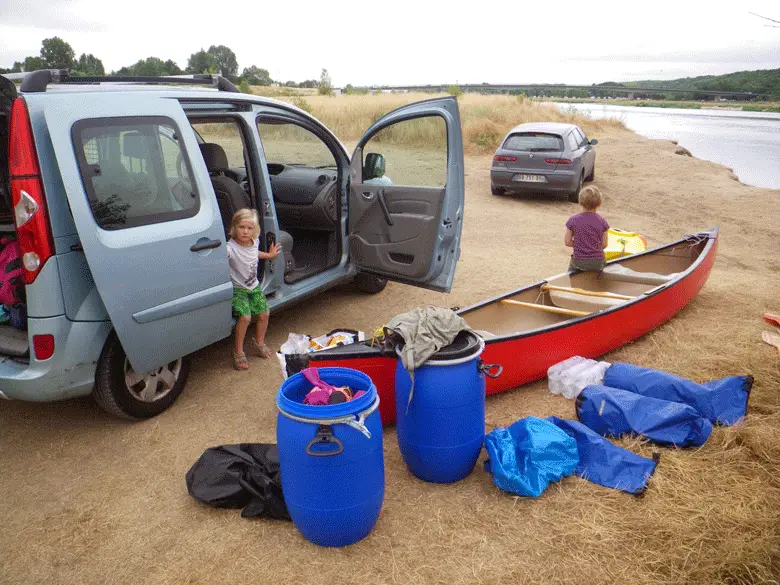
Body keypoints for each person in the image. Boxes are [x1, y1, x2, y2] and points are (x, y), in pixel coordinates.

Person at [227, 208, 282, 370]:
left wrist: (269, 256)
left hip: (254, 287)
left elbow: (253, 254)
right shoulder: (229, 248)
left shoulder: (254, 241)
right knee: (245, 318)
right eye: (241, 227)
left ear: (255, 230)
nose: (245, 231)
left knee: (264, 314)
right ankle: (238, 351)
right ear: (234, 228)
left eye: (249, 228)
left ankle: (259, 343)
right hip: (238, 290)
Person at [564, 186, 609, 272]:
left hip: (579, 261)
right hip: (598, 262)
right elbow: (604, 245)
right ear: (599, 204)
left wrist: (581, 244)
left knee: (570, 273)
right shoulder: (603, 221)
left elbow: (568, 242)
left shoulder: (573, 220)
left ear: (580, 202)